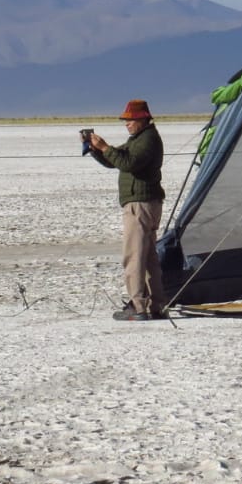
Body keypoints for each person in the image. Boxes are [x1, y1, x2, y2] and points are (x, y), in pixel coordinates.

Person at [86, 99, 167, 321]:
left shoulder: (147, 140)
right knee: (149, 258)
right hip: (146, 203)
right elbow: (117, 160)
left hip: (140, 205)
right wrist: (97, 151)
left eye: (130, 120)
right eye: (126, 121)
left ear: (142, 119)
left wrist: (104, 148)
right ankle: (155, 305)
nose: (127, 124)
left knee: (134, 256)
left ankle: (138, 306)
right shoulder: (140, 139)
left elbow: (129, 163)